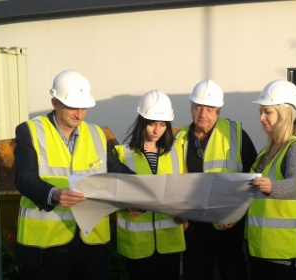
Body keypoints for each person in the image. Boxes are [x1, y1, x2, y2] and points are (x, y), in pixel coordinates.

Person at [14, 69, 134, 280]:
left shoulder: (96, 134)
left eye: (84, 108)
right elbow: (24, 178)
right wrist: (54, 194)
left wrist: (143, 192)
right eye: (72, 108)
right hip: (46, 244)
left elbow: (117, 171)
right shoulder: (30, 131)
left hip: (92, 243)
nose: (79, 114)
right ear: (55, 103)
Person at [174, 79, 257, 280]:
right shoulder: (179, 139)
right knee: (196, 273)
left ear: (218, 111)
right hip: (194, 225)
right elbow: (173, 181)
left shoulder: (236, 135)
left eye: (210, 109)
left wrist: (237, 214)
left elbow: (253, 178)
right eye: (198, 107)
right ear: (191, 108)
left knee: (233, 271)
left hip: (229, 224)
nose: (203, 114)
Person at [112, 90, 187, 280]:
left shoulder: (176, 153)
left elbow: (184, 191)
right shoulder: (122, 155)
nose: (157, 130)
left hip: (170, 241)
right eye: (152, 123)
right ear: (142, 122)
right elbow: (110, 196)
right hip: (137, 245)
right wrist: (126, 207)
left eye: (162, 124)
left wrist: (185, 214)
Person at [247, 80, 296, 280]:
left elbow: (295, 184)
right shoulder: (267, 151)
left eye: (267, 112)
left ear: (284, 114)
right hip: (260, 248)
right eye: (260, 112)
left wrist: (271, 186)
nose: (261, 118)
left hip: (282, 253)